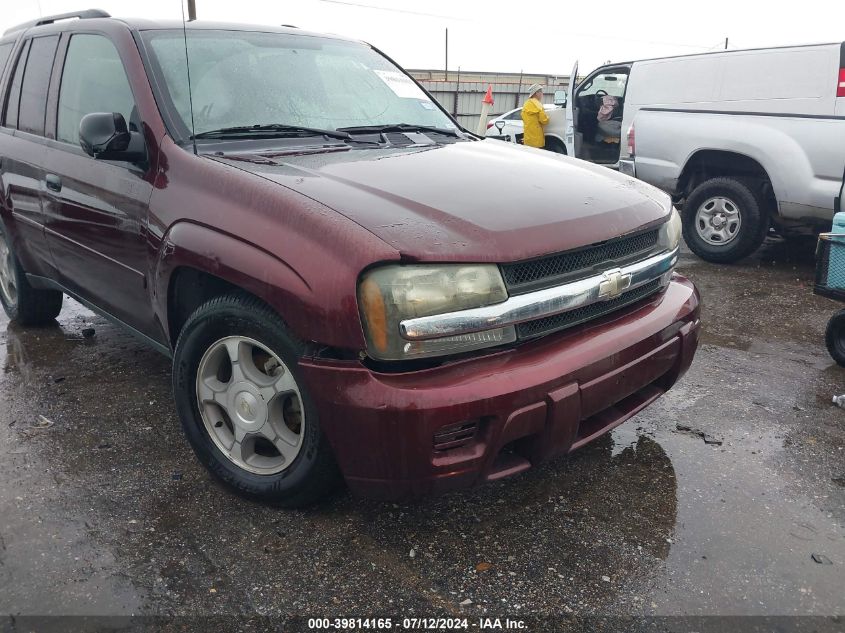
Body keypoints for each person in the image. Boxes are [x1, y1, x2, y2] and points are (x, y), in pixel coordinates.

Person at [521, 83, 549, 149]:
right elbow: (544, 121)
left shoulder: (526, 104)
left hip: (528, 138)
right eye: (541, 92)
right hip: (537, 139)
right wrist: (548, 118)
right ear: (536, 93)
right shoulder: (538, 105)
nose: (542, 94)